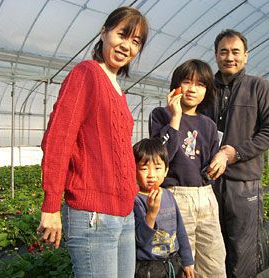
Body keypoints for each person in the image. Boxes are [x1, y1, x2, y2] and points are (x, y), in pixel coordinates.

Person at [36, 6, 149, 277]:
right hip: (93, 215)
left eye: (135, 42)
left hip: (124, 214)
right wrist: (51, 205)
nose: (127, 46)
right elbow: (58, 139)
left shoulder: (118, 90)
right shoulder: (86, 73)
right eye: (122, 35)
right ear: (104, 33)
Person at [203, 29, 269, 277]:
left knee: (242, 251)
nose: (229, 57)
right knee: (211, 249)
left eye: (235, 52)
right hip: (208, 181)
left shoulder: (258, 87)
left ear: (245, 56)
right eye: (223, 51)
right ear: (216, 55)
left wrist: (235, 153)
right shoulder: (205, 88)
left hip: (243, 183)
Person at [149, 59, 227, 277]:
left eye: (200, 84)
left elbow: (210, 161)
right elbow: (160, 158)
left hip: (205, 196)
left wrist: (216, 163)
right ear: (176, 85)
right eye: (186, 82)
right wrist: (175, 119)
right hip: (176, 196)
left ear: (207, 91)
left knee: (214, 261)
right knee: (183, 263)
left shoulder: (208, 125)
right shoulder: (160, 115)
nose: (193, 89)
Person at [133, 138, 195, 278]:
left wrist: (187, 261)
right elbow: (141, 240)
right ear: (133, 170)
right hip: (148, 267)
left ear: (166, 170)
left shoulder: (168, 195)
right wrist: (152, 213)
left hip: (173, 262)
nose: (151, 175)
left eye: (157, 168)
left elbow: (180, 230)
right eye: (144, 168)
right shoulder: (136, 201)